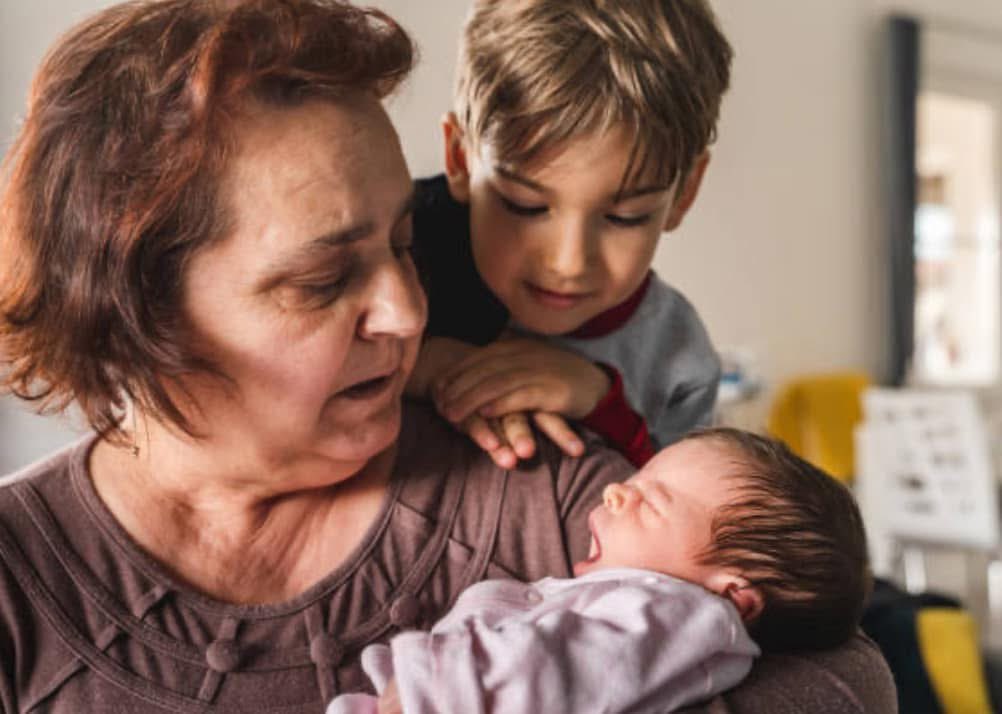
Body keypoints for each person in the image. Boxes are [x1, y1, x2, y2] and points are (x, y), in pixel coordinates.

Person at [0, 1, 896, 712]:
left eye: (405, 246)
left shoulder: (545, 485)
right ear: (132, 313)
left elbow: (839, 671)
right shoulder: (22, 576)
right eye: (323, 280)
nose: (408, 311)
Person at [327, 428, 872, 714]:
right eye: (632, 480)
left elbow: (556, 670)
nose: (614, 491)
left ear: (732, 596)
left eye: (650, 501)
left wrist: (431, 689)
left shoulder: (678, 617)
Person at [409, 0, 733, 469]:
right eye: (525, 206)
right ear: (460, 158)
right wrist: (415, 367)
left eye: (625, 217)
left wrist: (603, 405)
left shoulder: (678, 361)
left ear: (685, 192)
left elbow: (686, 508)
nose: (569, 262)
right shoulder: (391, 263)